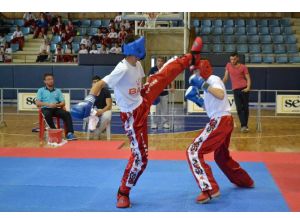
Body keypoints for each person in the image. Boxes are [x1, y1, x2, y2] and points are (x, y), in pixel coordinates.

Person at [70, 34, 203, 208]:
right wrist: (88, 101)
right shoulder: (122, 68)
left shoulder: (137, 64)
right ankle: (123, 192)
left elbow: (139, 83)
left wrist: (150, 96)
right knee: (141, 159)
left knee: (161, 76)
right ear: (136, 49)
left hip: (142, 99)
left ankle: (190, 57)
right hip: (133, 117)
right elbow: (99, 84)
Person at [185, 59, 254, 204]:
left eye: (196, 71)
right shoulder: (207, 84)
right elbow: (212, 105)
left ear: (203, 69)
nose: (195, 75)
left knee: (193, 151)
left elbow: (221, 94)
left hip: (220, 121)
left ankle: (210, 189)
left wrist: (203, 84)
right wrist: (198, 100)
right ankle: (244, 181)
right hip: (224, 120)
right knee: (221, 156)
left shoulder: (212, 79)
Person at [36, 73, 77, 141]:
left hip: (56, 108)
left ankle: (70, 133)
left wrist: (57, 105)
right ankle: (55, 132)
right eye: (48, 79)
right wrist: (49, 105)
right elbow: (37, 103)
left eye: (51, 79)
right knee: (47, 114)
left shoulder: (58, 91)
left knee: (67, 114)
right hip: (46, 108)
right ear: (45, 81)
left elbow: (63, 102)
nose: (50, 81)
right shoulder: (41, 90)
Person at [223, 52, 251, 133]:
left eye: (234, 59)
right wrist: (219, 84)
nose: (232, 61)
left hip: (244, 89)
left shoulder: (243, 67)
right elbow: (225, 77)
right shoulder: (228, 65)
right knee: (239, 108)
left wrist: (248, 87)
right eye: (231, 59)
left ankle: (245, 125)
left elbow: (248, 78)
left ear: (237, 58)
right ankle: (243, 126)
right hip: (235, 90)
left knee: (245, 108)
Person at [148, 56, 175, 129]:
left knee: (165, 109)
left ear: (163, 62)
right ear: (156, 62)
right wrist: (148, 88)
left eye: (161, 61)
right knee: (155, 109)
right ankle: (154, 123)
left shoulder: (166, 69)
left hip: (164, 92)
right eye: (158, 61)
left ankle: (165, 123)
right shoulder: (152, 70)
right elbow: (148, 79)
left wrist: (172, 87)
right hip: (155, 93)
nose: (159, 62)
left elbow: (171, 78)